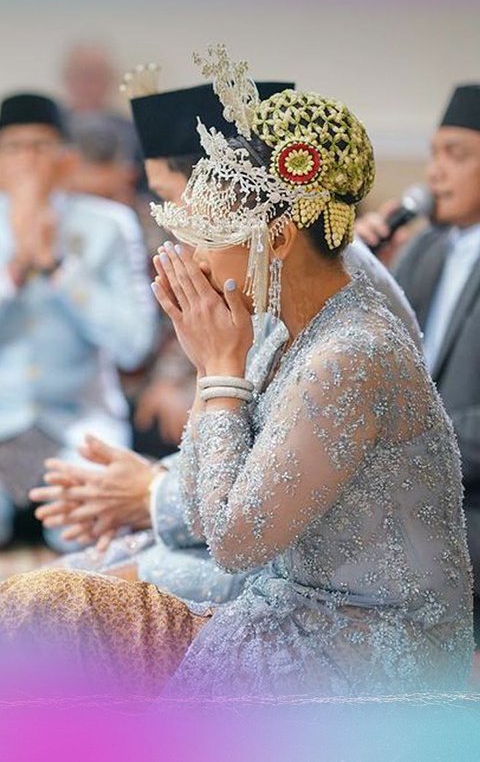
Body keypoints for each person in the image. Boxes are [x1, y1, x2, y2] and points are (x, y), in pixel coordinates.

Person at [0, 48, 472, 701]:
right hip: (284, 611)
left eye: (206, 232)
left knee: (53, 617)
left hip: (362, 652)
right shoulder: (280, 322)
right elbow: (205, 498)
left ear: (275, 240)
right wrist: (215, 366)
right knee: (43, 605)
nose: (190, 255)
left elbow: (233, 543)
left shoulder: (352, 352)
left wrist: (215, 371)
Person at [30, 76, 423, 610]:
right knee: (59, 584)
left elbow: (245, 527)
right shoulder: (262, 285)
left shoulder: (325, 299)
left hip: (315, 578)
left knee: (62, 603)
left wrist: (149, 493)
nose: (186, 247)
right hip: (261, 538)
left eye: (173, 201)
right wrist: (154, 480)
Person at [0, 93, 157, 549]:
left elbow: (133, 343)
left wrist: (56, 268)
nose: (29, 161)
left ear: (66, 158)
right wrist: (14, 273)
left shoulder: (109, 225)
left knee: (83, 536)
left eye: (42, 147)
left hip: (80, 424)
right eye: (14, 148)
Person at [389, 84, 480, 635]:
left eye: (458, 155)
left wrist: (410, 441)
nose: (435, 173)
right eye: (433, 154)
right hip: (404, 496)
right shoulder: (424, 247)